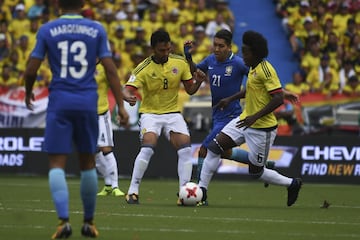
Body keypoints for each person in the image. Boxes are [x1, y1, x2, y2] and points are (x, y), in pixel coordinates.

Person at [24, 0, 133, 238]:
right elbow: (111, 70)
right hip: (87, 103)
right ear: (83, 4)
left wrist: (27, 91)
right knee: (88, 164)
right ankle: (89, 222)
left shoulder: (47, 29)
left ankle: (63, 222)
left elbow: (31, 69)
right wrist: (122, 107)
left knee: (56, 165)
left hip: (60, 102)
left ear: (57, 4)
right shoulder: (96, 29)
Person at [197, 30, 302, 207]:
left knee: (256, 173)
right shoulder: (253, 68)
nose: (242, 56)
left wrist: (255, 117)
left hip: (262, 128)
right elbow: (250, 90)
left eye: (246, 53)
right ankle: (202, 191)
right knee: (215, 146)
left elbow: (278, 98)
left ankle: (292, 184)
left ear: (255, 54)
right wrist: (230, 99)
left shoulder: (266, 70)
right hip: (244, 120)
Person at [123, 29, 206, 205]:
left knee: (185, 148)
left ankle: (184, 193)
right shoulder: (143, 67)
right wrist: (127, 96)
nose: (166, 53)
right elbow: (127, 88)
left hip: (172, 113)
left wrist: (198, 81)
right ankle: (133, 190)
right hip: (150, 114)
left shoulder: (180, 62)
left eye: (168, 49)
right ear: (153, 49)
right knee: (148, 146)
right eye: (162, 50)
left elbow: (190, 90)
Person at [95, 63, 126, 197]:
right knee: (92, 152)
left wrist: (123, 102)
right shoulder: (82, 65)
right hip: (85, 115)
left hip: (101, 115)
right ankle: (107, 184)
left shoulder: (104, 67)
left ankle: (115, 186)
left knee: (106, 149)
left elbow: (115, 87)